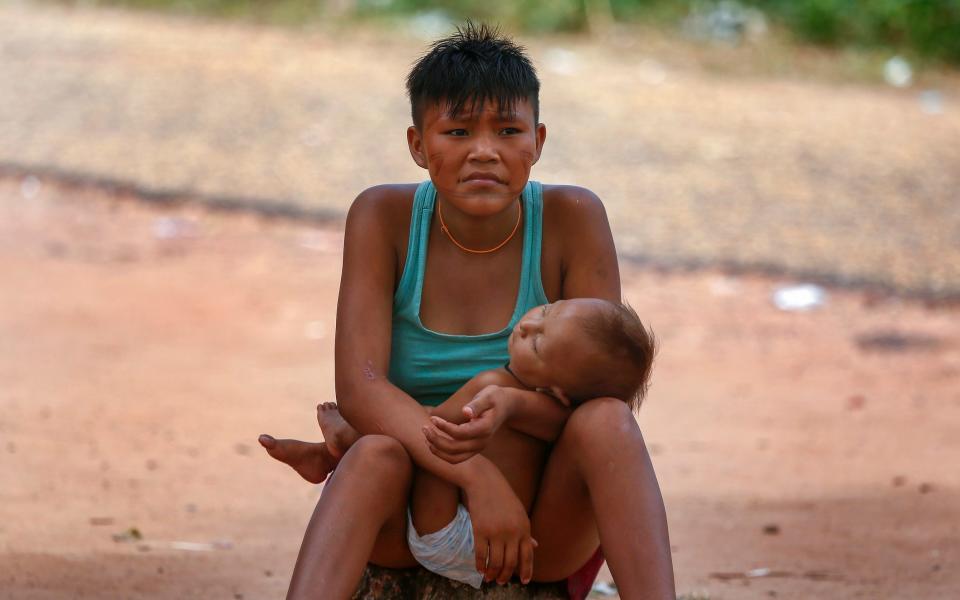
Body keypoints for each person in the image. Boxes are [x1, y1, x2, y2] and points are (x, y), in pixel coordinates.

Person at [258, 22, 676, 600]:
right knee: (374, 452)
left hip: (534, 531)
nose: (484, 151)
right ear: (418, 145)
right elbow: (360, 387)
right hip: (409, 517)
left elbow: (598, 394)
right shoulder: (382, 217)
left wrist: (508, 407)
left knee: (608, 422)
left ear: (538, 140)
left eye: (508, 130)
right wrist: (477, 477)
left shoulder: (573, 218)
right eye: (457, 131)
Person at [265, 298, 656, 589]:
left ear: (556, 389)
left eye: (538, 345)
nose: (527, 327)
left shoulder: (495, 386)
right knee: (425, 437)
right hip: (475, 530)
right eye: (547, 312)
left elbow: (432, 426)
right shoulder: (546, 410)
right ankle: (340, 448)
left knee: (431, 432)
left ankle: (341, 445)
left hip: (448, 531)